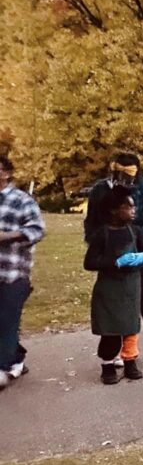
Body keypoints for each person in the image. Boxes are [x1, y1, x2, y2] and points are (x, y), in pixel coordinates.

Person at [84, 152, 143, 369]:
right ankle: (119, 352)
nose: (125, 180)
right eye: (120, 175)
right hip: (111, 256)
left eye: (129, 176)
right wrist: (100, 243)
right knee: (116, 304)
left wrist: (137, 233)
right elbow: (92, 221)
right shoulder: (101, 190)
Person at [84, 186, 143, 385]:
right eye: (128, 207)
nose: (133, 211)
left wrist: (142, 259)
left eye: (133, 207)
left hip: (131, 287)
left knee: (131, 327)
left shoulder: (135, 231)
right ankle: (108, 366)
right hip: (109, 289)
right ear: (114, 210)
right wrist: (115, 263)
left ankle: (130, 362)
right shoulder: (102, 234)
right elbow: (89, 262)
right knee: (110, 330)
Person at [0, 156, 45, 391]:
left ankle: (2, 368)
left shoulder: (21, 200)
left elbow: (37, 230)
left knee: (7, 320)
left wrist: (7, 236)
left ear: (6, 173)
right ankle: (16, 357)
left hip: (13, 273)